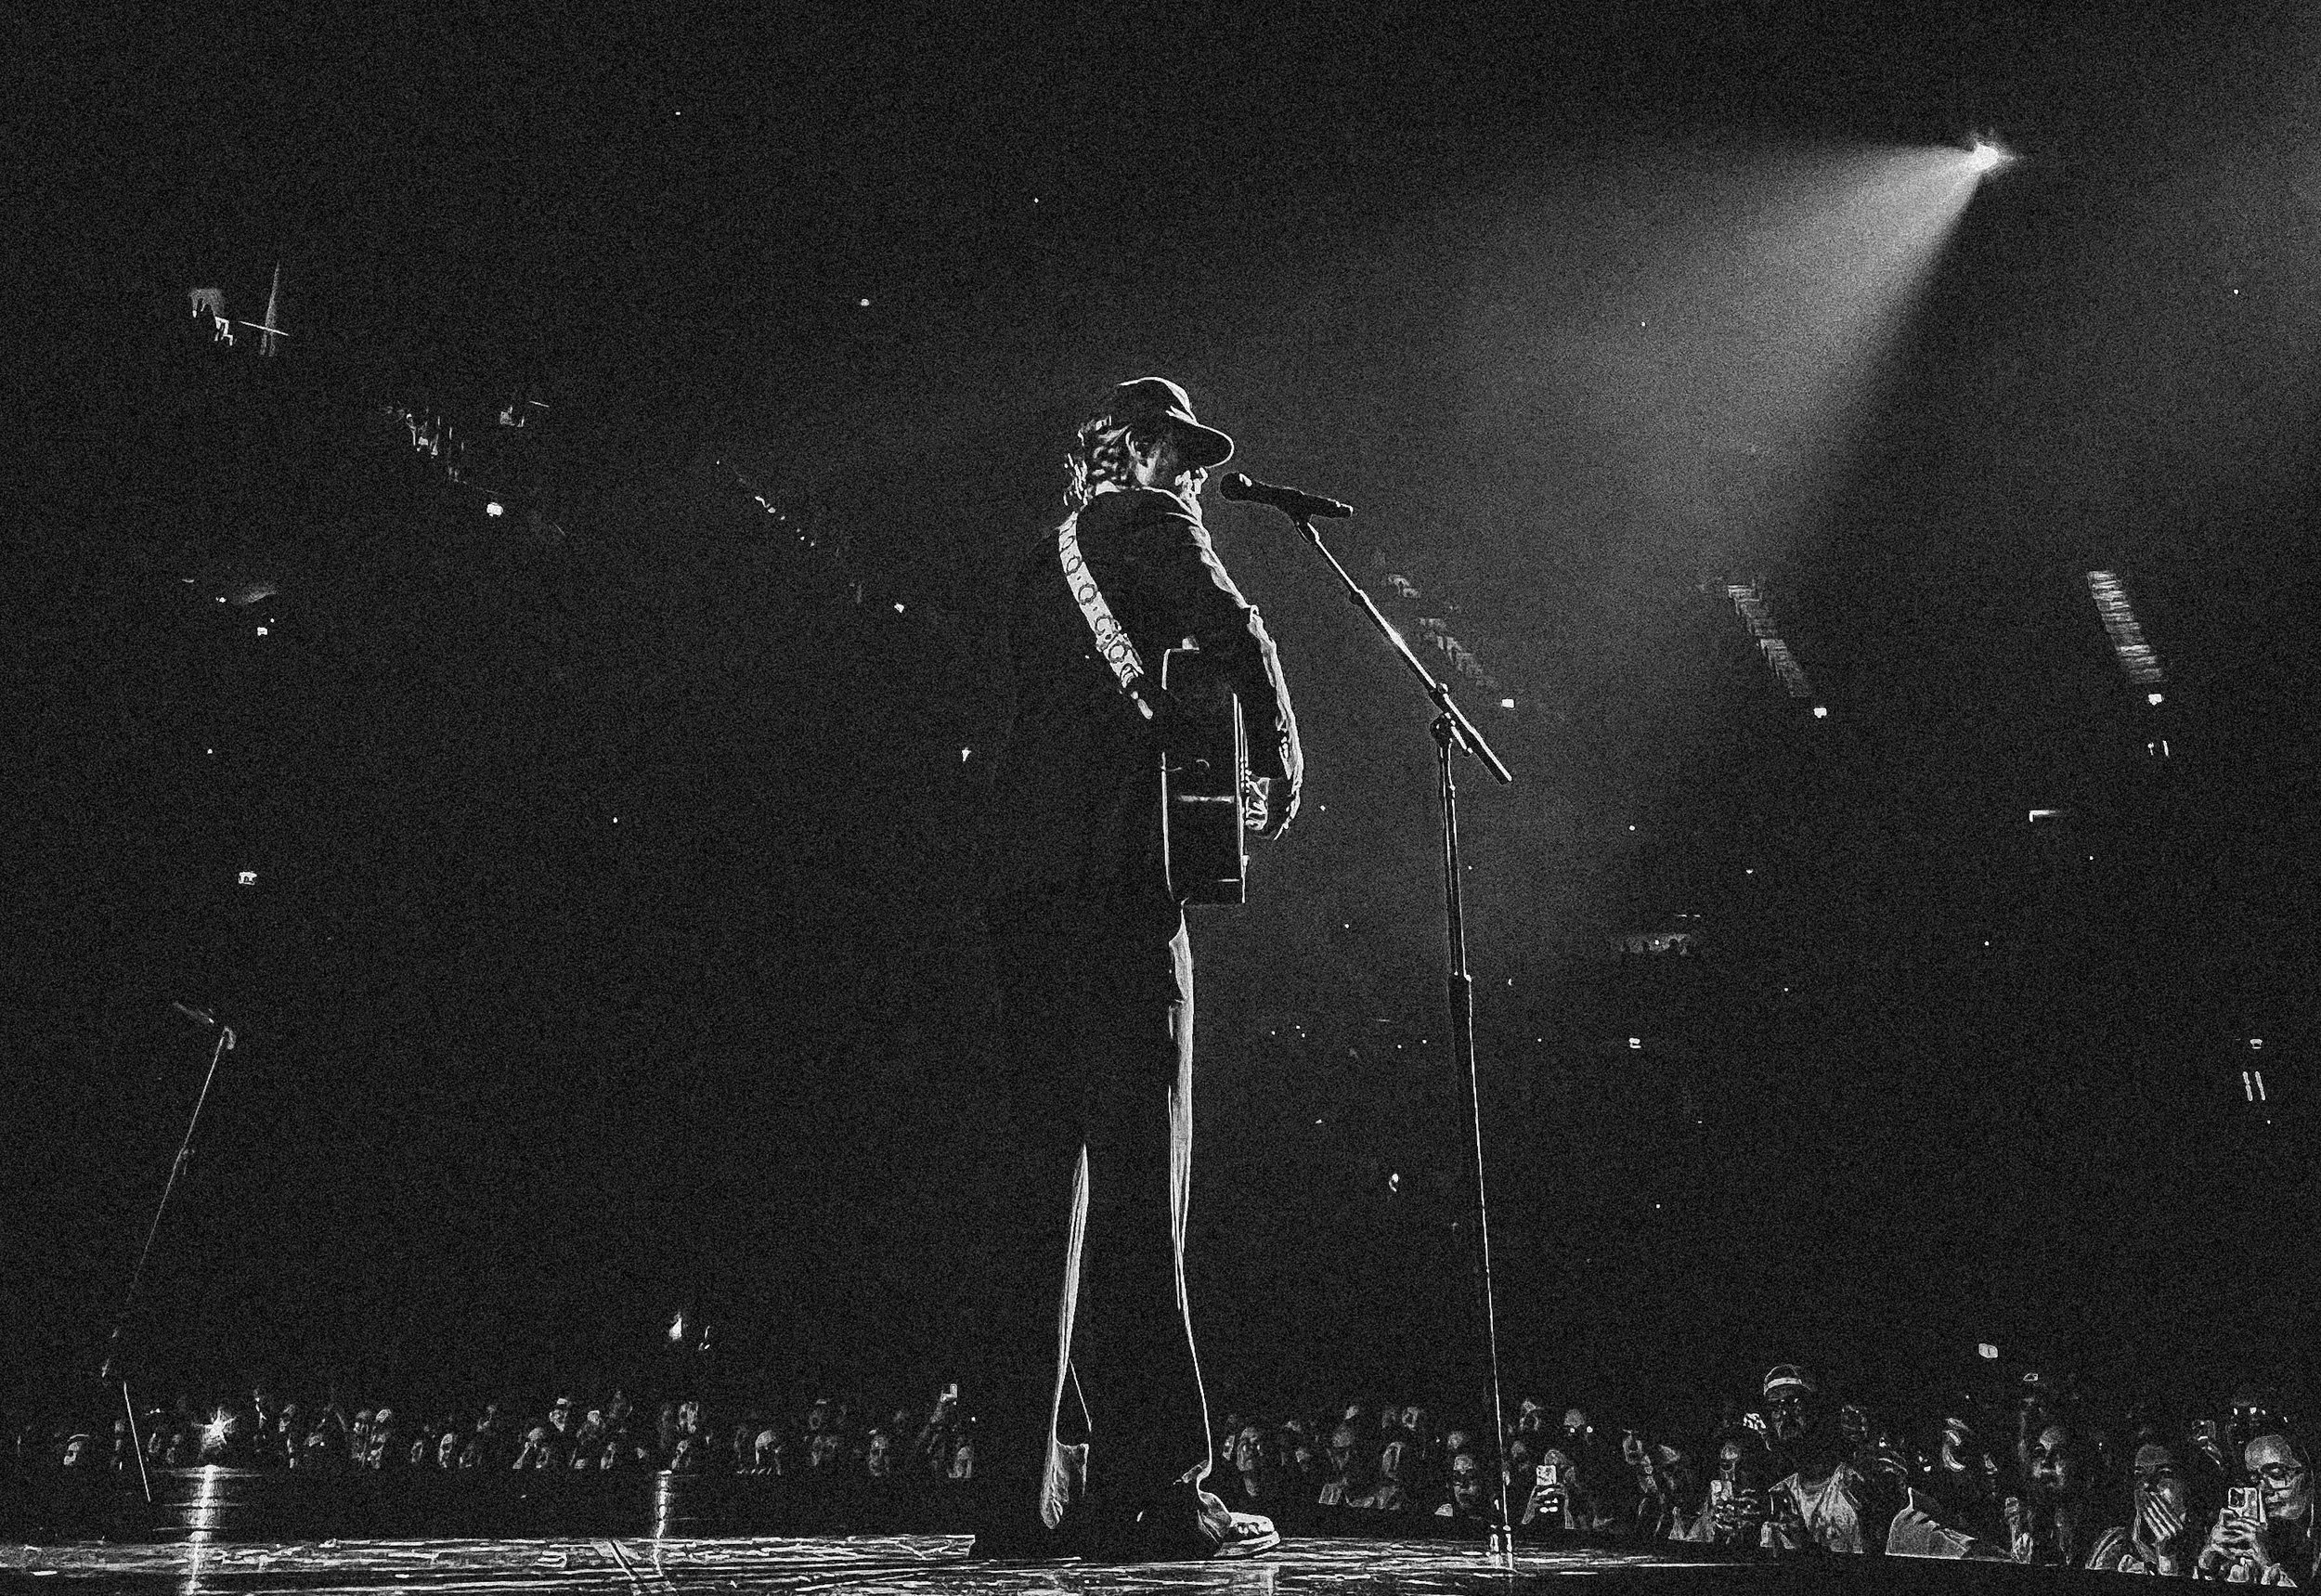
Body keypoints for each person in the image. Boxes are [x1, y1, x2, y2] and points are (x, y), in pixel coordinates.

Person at [972, 378, 1302, 1564]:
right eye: (1187, 452)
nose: (1200, 473)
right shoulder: (1153, 524)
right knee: (1136, 1182)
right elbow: (1236, 634)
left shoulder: (1034, 561)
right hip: (1119, 886)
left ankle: (1023, 1497)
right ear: (1145, 448)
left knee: (1038, 1196)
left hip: (1023, 889)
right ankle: (1157, 1492)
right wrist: (1279, 768)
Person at [2086, 1436, 2219, 1576]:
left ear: (2188, 1484)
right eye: (2139, 1475)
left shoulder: (2210, 1544)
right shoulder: (2112, 1545)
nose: (2147, 1484)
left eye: (2164, 1474)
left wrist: (2168, 1560)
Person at [2199, 1429, 2315, 1584]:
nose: (2263, 1489)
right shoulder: (2263, 1530)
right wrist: (2209, 1567)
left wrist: (2266, 1565)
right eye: (2255, 1479)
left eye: (2276, 1474)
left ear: (2309, 1476)